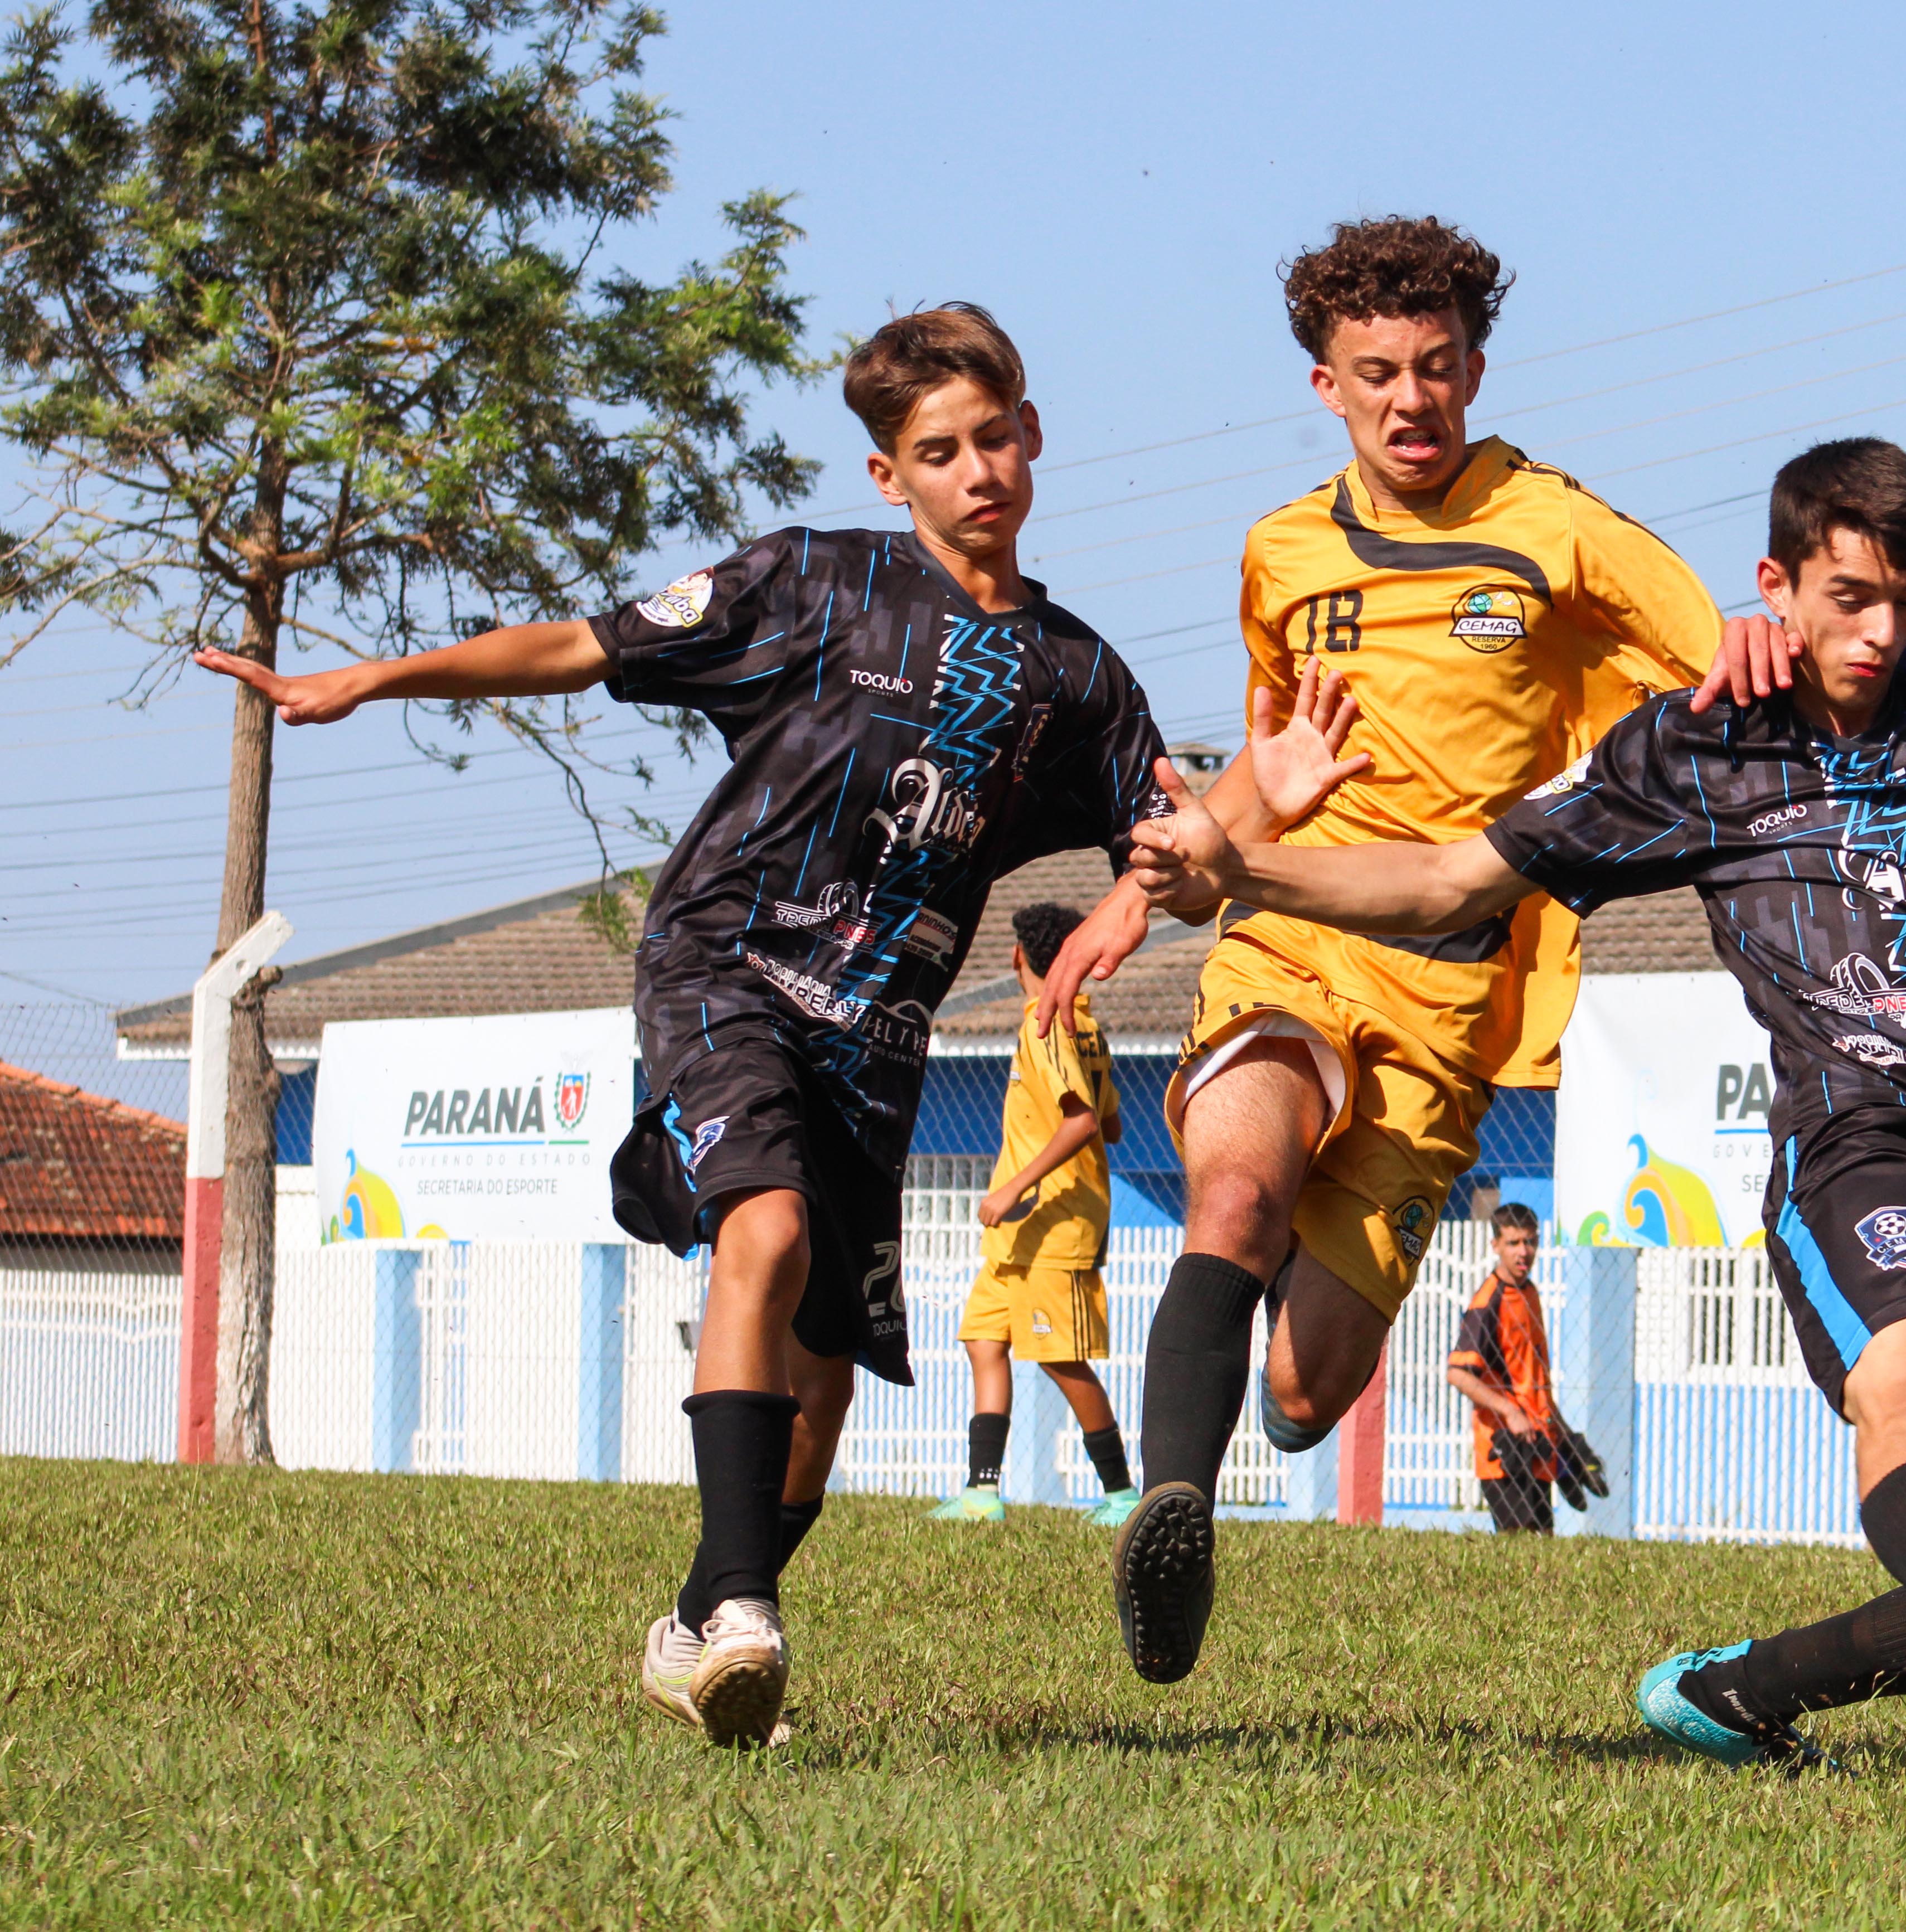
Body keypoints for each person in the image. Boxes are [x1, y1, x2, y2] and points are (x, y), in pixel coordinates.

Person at [198, 302, 1356, 1747]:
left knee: (822, 1385)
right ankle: (742, 1611)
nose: (976, 469)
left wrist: (1260, 791)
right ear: (892, 477)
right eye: (940, 451)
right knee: (764, 1229)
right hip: (726, 962)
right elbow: (585, 644)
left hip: (876, 1037)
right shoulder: (810, 585)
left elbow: (1172, 863)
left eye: (995, 437)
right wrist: (373, 679)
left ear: (1032, 436)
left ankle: (702, 1616)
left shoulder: (1075, 680)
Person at [1123, 436, 1906, 1770]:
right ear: (1778, 583)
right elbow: (1454, 880)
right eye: (1848, 597)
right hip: (1848, 1149)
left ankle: (1737, 1691)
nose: (1877, 632)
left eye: (1901, 599)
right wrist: (1247, 871)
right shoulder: (1700, 744)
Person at [1044, 215, 1798, 1688]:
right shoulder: (1279, 553)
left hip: (1448, 988)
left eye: (1437, 368)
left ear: (1473, 367)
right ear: (1324, 383)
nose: (1410, 400)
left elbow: (1707, 646)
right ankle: (1170, 1517)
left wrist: (1761, 642)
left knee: (1306, 1391)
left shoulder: (1555, 525)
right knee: (1238, 1185)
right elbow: (1269, 768)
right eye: (1376, 371)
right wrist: (1161, 870)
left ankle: (1253, 1375)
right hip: (1287, 936)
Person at [930, 900, 1138, 1527]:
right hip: (1020, 1233)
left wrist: (1012, 1185)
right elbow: (1113, 1123)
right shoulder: (1084, 1026)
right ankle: (981, 1493)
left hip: (1054, 1224)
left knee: (1059, 1357)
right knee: (982, 1340)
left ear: (1019, 956)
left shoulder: (1048, 1025)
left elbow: (1082, 1124)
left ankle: (1123, 1494)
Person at [1444, 1202, 1561, 1535]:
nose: (1524, 1252)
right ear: (1495, 1245)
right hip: (1504, 1447)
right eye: (1513, 1243)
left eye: (1530, 1242)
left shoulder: (1530, 1293)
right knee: (1520, 1546)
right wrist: (1509, 1411)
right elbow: (1457, 1373)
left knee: (1544, 1546)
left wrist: (1561, 1431)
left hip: (1537, 1438)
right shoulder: (1488, 1302)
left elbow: (1532, 1374)